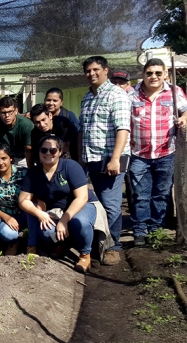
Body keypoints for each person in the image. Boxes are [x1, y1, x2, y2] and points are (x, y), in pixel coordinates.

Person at [128, 58, 187, 246]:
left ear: (165, 75)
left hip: (166, 152)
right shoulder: (132, 95)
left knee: (161, 194)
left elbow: (186, 111)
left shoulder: (175, 92)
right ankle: (139, 231)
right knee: (139, 194)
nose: (153, 76)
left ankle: (156, 231)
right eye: (149, 73)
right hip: (139, 154)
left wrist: (184, 119)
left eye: (158, 73)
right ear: (143, 75)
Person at [78, 55, 131, 265]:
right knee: (96, 202)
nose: (91, 73)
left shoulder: (116, 95)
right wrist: (81, 157)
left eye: (95, 69)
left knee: (111, 204)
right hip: (91, 158)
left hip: (111, 158)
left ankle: (113, 246)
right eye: (88, 71)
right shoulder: (87, 98)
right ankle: (99, 241)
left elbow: (123, 128)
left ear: (105, 71)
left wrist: (115, 158)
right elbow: (83, 129)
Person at [18, 136, 98, 272]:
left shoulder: (70, 167)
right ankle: (64, 243)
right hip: (56, 210)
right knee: (46, 232)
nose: (48, 153)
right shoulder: (34, 173)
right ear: (38, 152)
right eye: (44, 150)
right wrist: (40, 213)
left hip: (82, 206)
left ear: (60, 152)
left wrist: (64, 221)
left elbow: (82, 197)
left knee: (79, 222)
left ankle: (85, 254)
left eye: (52, 150)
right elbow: (23, 200)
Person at [0, 96, 34, 167]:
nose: (7, 115)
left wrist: (31, 171)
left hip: (24, 158)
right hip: (5, 158)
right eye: (3, 112)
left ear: (16, 111)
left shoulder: (26, 124)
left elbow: (29, 150)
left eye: (10, 112)